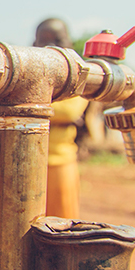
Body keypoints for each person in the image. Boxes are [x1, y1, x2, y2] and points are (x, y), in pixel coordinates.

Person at [33, 18, 88, 219]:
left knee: (62, 224)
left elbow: (69, 112)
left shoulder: (78, 77)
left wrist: (31, 106)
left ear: (70, 44)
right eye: (44, 41)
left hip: (61, 163)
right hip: (26, 161)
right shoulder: (27, 72)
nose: (52, 47)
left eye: (58, 40)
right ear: (33, 46)